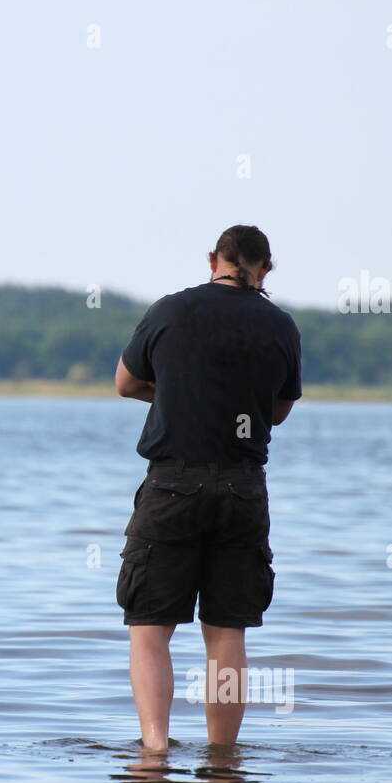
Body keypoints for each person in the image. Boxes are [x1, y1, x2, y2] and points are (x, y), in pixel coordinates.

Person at [114, 224, 301, 751]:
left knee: (150, 628)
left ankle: (154, 749)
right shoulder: (280, 325)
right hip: (242, 490)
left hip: (172, 486)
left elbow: (126, 383)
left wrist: (177, 395)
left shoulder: (170, 310)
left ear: (213, 259)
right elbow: (279, 410)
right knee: (226, 634)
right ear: (266, 268)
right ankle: (222, 757)